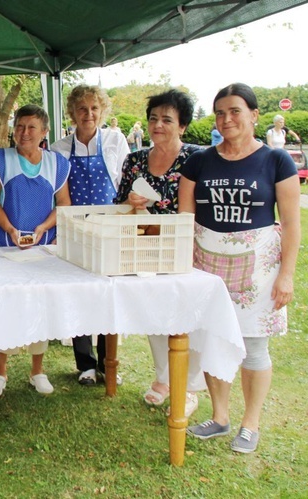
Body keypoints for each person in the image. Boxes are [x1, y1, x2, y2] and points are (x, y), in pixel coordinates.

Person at [180, 83, 300, 453]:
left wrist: (287, 274)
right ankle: (219, 417)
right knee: (210, 341)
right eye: (219, 112)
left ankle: (250, 424)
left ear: (253, 115)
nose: (226, 119)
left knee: (253, 347)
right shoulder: (199, 161)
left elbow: (292, 224)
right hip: (205, 265)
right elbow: (185, 219)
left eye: (234, 111)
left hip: (258, 270)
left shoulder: (276, 161)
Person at [114, 89, 206, 417]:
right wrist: (129, 203)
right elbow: (118, 204)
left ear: (183, 126)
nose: (158, 125)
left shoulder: (196, 158)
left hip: (184, 248)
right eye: (153, 118)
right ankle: (165, 379)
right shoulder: (135, 160)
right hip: (144, 248)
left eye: (167, 119)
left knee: (186, 317)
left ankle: (190, 387)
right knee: (154, 313)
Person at [0, 104, 71, 397]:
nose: (24, 133)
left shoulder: (57, 164)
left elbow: (64, 205)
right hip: (5, 244)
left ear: (44, 132)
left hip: (43, 248)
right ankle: (0, 371)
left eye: (32, 127)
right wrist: (9, 228)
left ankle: (37, 370)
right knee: (3, 304)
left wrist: (43, 228)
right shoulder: (1, 159)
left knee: (40, 305)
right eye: (20, 126)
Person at [51, 84, 130, 386]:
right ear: (72, 112)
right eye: (82, 109)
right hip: (76, 228)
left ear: (102, 111)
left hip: (110, 227)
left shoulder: (115, 140)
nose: (89, 114)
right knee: (79, 294)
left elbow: (125, 183)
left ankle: (109, 362)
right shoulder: (59, 148)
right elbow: (60, 194)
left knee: (108, 295)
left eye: (94, 108)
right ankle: (84, 364)